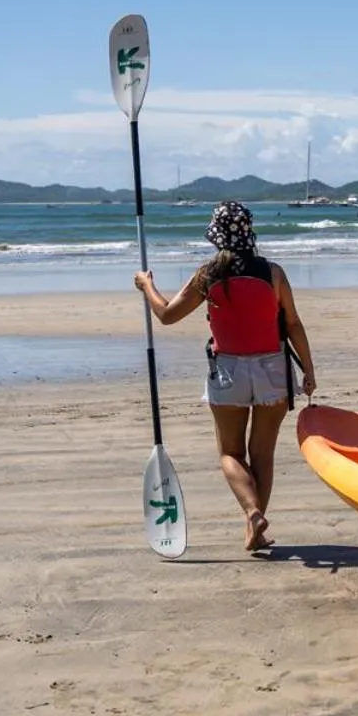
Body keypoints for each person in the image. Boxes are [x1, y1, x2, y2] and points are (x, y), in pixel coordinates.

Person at [133, 201, 317, 552]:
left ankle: (252, 514)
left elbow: (167, 315)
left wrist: (146, 286)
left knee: (230, 454)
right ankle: (256, 526)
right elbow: (292, 323)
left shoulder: (208, 275)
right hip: (273, 368)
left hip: (229, 369)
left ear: (216, 234)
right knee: (262, 454)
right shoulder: (272, 273)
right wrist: (308, 369)